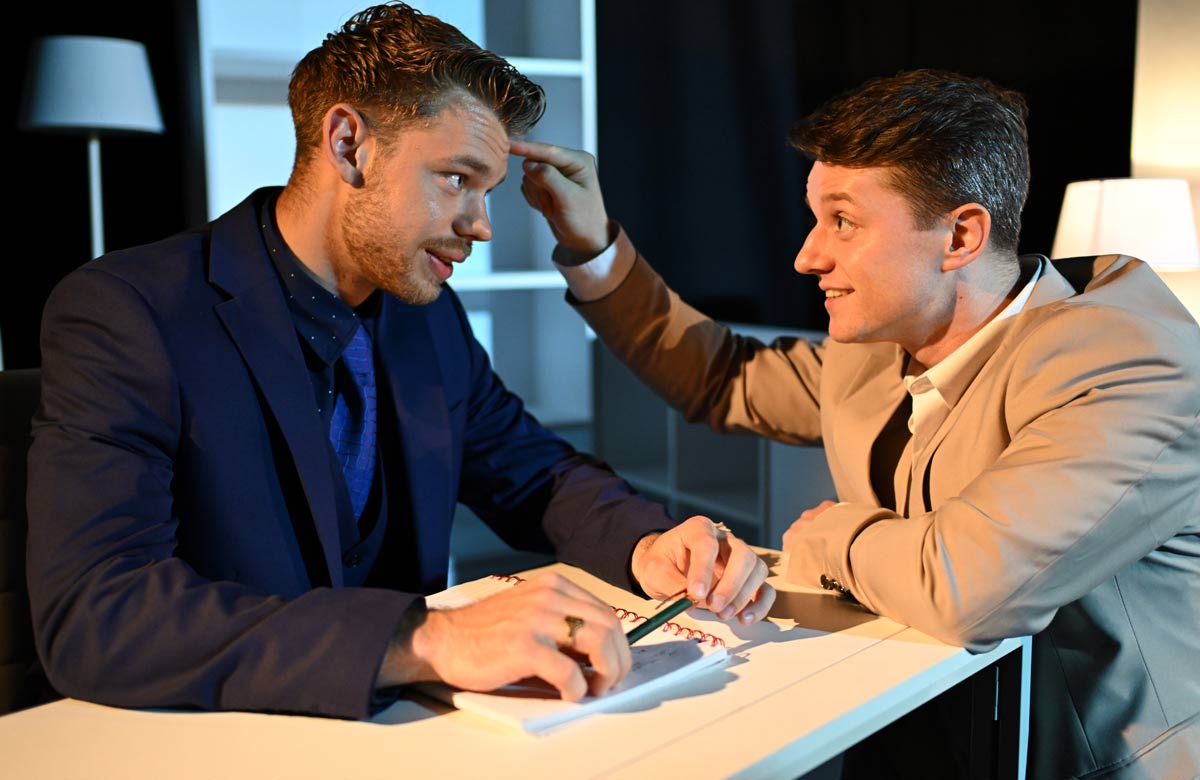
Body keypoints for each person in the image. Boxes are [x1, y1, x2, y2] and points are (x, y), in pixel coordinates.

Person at [25, 2, 775, 720]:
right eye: (456, 179)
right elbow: (98, 611)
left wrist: (648, 545)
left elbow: (533, 471)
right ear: (349, 144)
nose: (481, 226)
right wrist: (429, 639)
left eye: (487, 191)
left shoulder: (429, 318)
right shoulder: (129, 311)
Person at [513, 69, 1200, 778]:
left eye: (843, 221)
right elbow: (720, 377)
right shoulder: (872, 351)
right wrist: (589, 242)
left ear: (961, 235)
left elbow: (969, 588)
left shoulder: (1132, 366)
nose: (808, 256)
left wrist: (829, 533)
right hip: (905, 739)